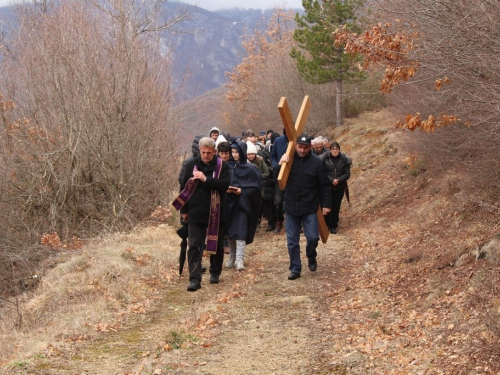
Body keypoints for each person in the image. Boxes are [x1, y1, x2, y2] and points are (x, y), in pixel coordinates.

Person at [174, 137, 230, 291]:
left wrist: (206, 179)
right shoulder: (191, 164)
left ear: (215, 152)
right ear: (199, 151)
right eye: (203, 152)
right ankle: (194, 278)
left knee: (217, 246)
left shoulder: (222, 166)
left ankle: (215, 272)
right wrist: (184, 211)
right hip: (195, 211)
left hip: (216, 212)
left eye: (209, 153)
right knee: (194, 246)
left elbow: (224, 185)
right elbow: (183, 187)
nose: (205, 155)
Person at [278, 134, 331, 280]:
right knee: (292, 241)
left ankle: (311, 255)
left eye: (305, 147)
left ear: (310, 147)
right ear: (295, 146)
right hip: (291, 207)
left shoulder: (317, 163)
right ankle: (295, 269)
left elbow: (325, 185)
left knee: (313, 238)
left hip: (309, 207)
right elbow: (277, 179)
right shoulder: (288, 160)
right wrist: (280, 164)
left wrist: (326, 204)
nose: (302, 150)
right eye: (300, 147)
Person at [225, 141, 262, 271]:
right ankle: (232, 257)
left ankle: (240, 259)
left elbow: (256, 188)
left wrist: (242, 191)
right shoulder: (228, 167)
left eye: (237, 152)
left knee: (240, 231)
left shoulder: (250, 169)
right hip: (230, 203)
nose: (234, 155)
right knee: (230, 232)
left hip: (243, 204)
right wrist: (227, 189)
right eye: (233, 152)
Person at [320, 141, 351, 234]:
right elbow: (322, 172)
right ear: (330, 150)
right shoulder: (325, 159)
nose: (335, 151)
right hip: (328, 186)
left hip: (340, 186)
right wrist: (331, 180)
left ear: (339, 150)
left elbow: (347, 174)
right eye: (333, 149)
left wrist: (339, 180)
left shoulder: (344, 159)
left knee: (336, 207)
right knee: (327, 205)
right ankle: (326, 224)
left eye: (336, 149)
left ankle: (334, 225)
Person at [246, 141, 270, 229]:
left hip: (259, 187)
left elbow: (266, 173)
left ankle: (257, 223)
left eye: (252, 154)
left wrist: (258, 176)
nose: (251, 156)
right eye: (248, 154)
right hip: (247, 188)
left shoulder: (260, 161)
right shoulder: (244, 163)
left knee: (258, 207)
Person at [270, 130, 288, 233]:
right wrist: (276, 165)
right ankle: (279, 220)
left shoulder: (295, 140)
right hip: (279, 174)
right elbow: (273, 156)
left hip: (293, 175)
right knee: (278, 201)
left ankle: (292, 223)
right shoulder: (278, 141)